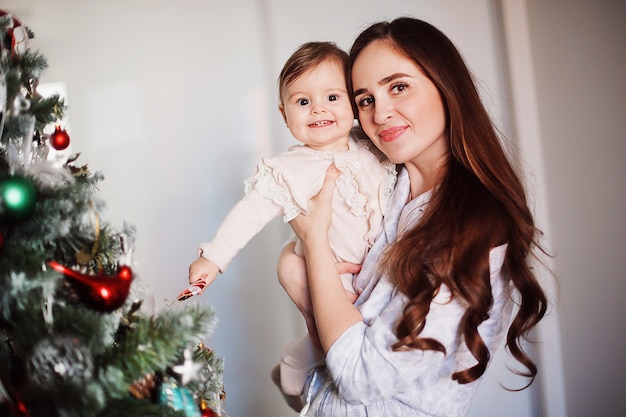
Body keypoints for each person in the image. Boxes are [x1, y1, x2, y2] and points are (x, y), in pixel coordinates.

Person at [278, 17, 548, 416]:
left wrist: (313, 244)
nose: (380, 112)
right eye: (365, 99)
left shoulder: (473, 225)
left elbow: (358, 377)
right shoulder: (383, 183)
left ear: (445, 86)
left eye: (398, 87)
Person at [186, 42, 397, 402]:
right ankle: (295, 367)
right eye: (303, 102)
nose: (318, 108)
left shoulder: (375, 147)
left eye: (332, 97)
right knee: (330, 337)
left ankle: (300, 368)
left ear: (354, 105)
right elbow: (248, 214)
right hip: (331, 272)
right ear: (285, 116)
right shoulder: (288, 169)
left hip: (379, 269)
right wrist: (214, 257)